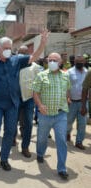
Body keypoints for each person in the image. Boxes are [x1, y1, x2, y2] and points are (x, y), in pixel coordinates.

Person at [0, 31, 48, 171]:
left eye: (9, 48)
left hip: (12, 104)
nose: (7, 50)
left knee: (10, 131)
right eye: (5, 48)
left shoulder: (16, 60)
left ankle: (4, 158)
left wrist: (42, 43)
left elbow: (34, 56)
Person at [32, 52, 70, 180]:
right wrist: (40, 105)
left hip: (61, 114)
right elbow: (35, 93)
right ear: (47, 62)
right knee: (42, 138)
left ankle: (62, 168)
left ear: (60, 62)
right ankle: (40, 153)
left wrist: (67, 99)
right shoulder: (41, 75)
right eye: (50, 60)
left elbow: (67, 90)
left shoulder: (65, 76)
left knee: (61, 141)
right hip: (45, 114)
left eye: (55, 60)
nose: (52, 62)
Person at [19, 50, 43, 158]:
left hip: (29, 99)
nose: (23, 55)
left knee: (28, 123)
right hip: (15, 98)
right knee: (11, 122)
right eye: (21, 52)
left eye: (25, 52)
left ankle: (25, 147)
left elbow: (40, 81)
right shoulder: (15, 64)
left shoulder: (36, 67)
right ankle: (12, 140)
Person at [67, 56, 87, 149]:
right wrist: (67, 98)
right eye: (78, 62)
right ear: (74, 62)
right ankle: (67, 134)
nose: (80, 63)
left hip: (83, 102)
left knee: (82, 123)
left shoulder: (87, 72)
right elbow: (66, 86)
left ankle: (79, 141)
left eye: (81, 61)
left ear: (84, 62)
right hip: (72, 102)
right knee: (69, 122)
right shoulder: (69, 72)